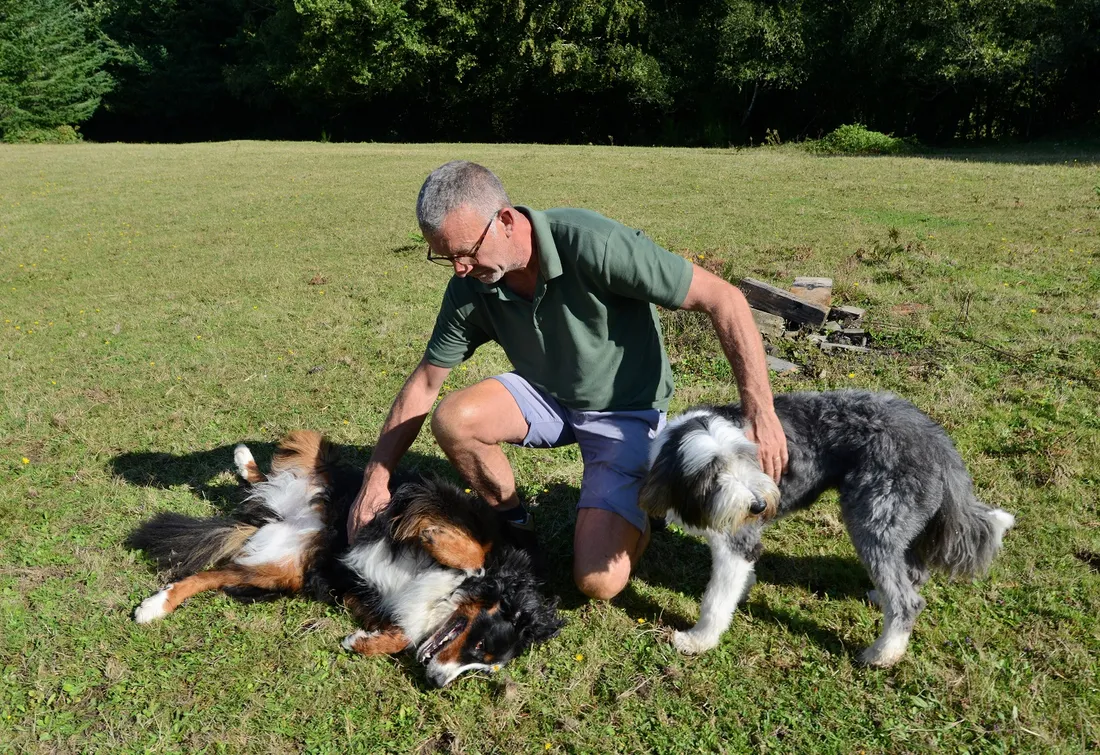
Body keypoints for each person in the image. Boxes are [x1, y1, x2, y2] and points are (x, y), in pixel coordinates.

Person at [347, 160, 787, 600]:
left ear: (504, 221)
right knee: (454, 419)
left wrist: (761, 412)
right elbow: (426, 381)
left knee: (598, 582)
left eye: (465, 251)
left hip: (625, 408)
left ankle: (642, 513)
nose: (459, 268)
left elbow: (724, 299)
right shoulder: (473, 282)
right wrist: (376, 476)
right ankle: (515, 524)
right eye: (445, 257)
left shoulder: (591, 242)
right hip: (546, 393)